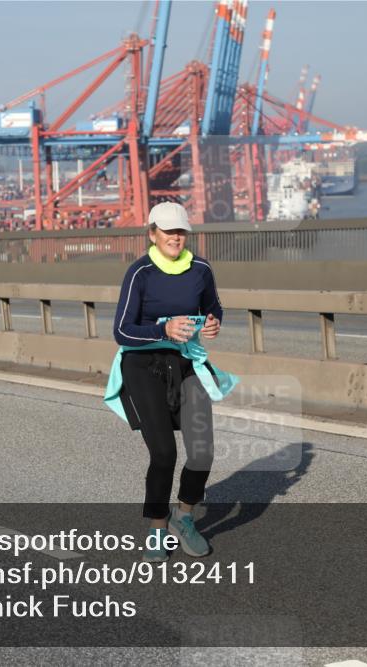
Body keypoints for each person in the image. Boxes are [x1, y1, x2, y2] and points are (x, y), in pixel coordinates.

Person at [104, 202, 238, 562]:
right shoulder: (140, 272)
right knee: (164, 454)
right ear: (153, 234)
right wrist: (162, 329)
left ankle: (185, 516)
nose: (175, 238)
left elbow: (214, 307)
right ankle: (157, 527)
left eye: (180, 232)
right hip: (142, 366)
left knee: (203, 451)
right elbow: (121, 331)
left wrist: (213, 322)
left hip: (186, 363)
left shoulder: (201, 269)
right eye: (168, 231)